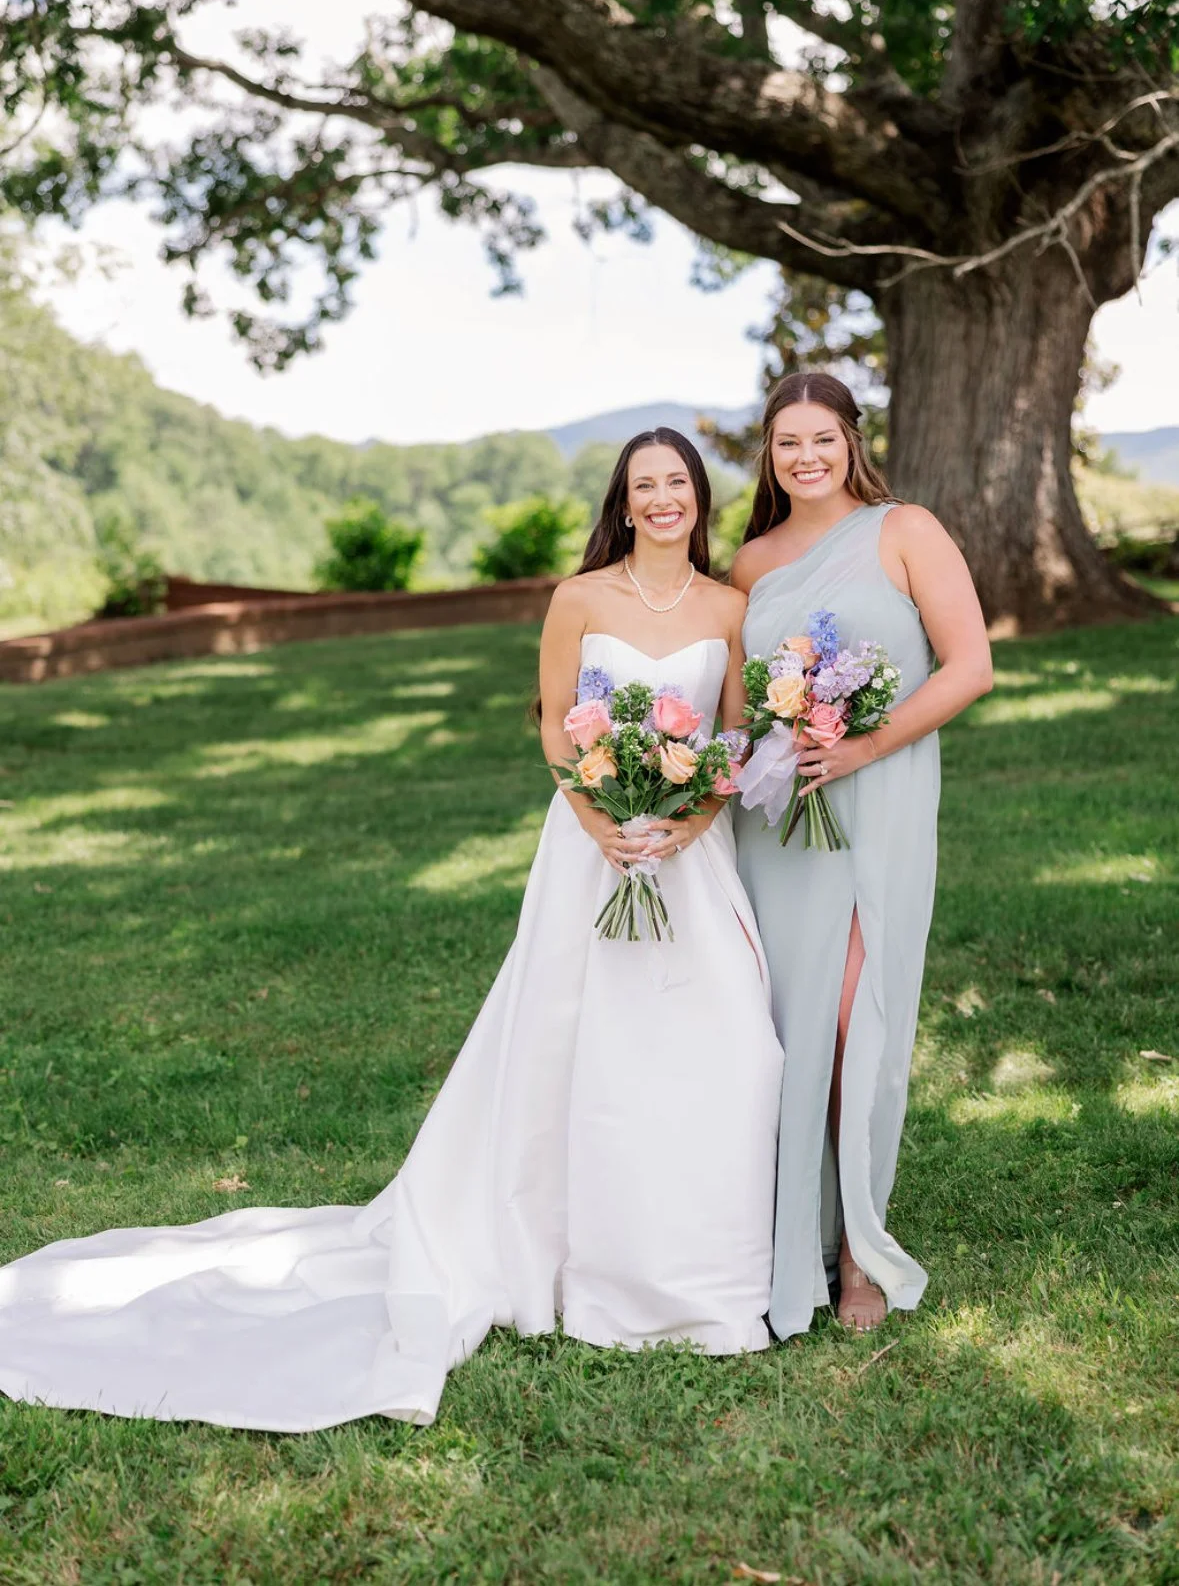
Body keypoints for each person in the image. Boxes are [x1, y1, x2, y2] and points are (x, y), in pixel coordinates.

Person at [0, 428, 783, 1432]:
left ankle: (690, 1266)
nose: (664, 497)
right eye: (645, 485)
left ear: (698, 500)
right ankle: (565, 1253)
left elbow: (728, 743)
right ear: (623, 504)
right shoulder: (580, 600)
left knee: (719, 1052)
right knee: (576, 1043)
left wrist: (682, 825)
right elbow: (554, 722)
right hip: (590, 851)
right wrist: (601, 820)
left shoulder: (730, 608)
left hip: (687, 858)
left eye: (678, 481)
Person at [731, 373, 993, 1337]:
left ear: (850, 440)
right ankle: (785, 1246)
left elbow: (970, 665)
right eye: (786, 442)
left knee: (856, 1023)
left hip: (876, 799)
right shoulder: (752, 562)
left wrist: (861, 745)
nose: (805, 457)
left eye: (821, 439)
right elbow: (735, 701)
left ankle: (859, 1253)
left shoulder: (905, 529)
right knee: (788, 1027)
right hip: (781, 823)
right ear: (768, 453)